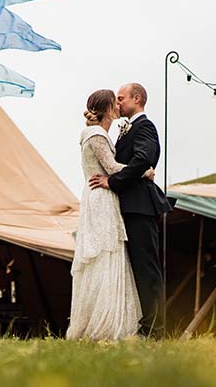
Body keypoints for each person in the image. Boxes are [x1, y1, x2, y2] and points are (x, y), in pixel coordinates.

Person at [88, 83, 171, 336]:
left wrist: (112, 181)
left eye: (121, 98)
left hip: (139, 207)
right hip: (125, 206)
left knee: (147, 269)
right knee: (133, 269)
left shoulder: (144, 126)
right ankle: (139, 324)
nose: (118, 103)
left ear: (137, 98)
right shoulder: (123, 130)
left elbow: (143, 158)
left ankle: (155, 329)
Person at [66, 89, 141, 340]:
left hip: (98, 195)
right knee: (105, 253)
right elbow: (111, 167)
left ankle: (104, 318)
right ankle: (104, 323)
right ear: (109, 109)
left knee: (106, 254)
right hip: (101, 197)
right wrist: (142, 171)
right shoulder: (96, 134)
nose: (120, 105)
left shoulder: (94, 133)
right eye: (116, 102)